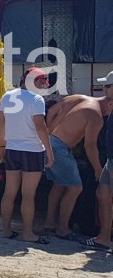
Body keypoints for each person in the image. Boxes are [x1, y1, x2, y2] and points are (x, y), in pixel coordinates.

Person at [43, 75, 113, 241]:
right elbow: (90, 146)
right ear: (110, 104)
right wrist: (98, 170)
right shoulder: (96, 117)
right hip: (60, 148)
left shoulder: (78, 98)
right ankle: (62, 229)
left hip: (50, 143)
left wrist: (48, 131)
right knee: (75, 188)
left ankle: (49, 223)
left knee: (59, 184)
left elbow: (51, 111)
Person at [0, 67, 55, 243]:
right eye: (41, 82)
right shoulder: (36, 100)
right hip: (32, 151)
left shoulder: (7, 96)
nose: (42, 86)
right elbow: (40, 127)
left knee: (9, 192)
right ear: (35, 81)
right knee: (28, 194)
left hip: (12, 149)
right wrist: (50, 152)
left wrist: (2, 145)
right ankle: (28, 234)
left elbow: (1, 123)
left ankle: (6, 231)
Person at [81, 70, 113, 251]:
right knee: (102, 195)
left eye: (108, 86)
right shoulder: (110, 106)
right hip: (109, 159)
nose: (104, 89)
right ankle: (103, 238)